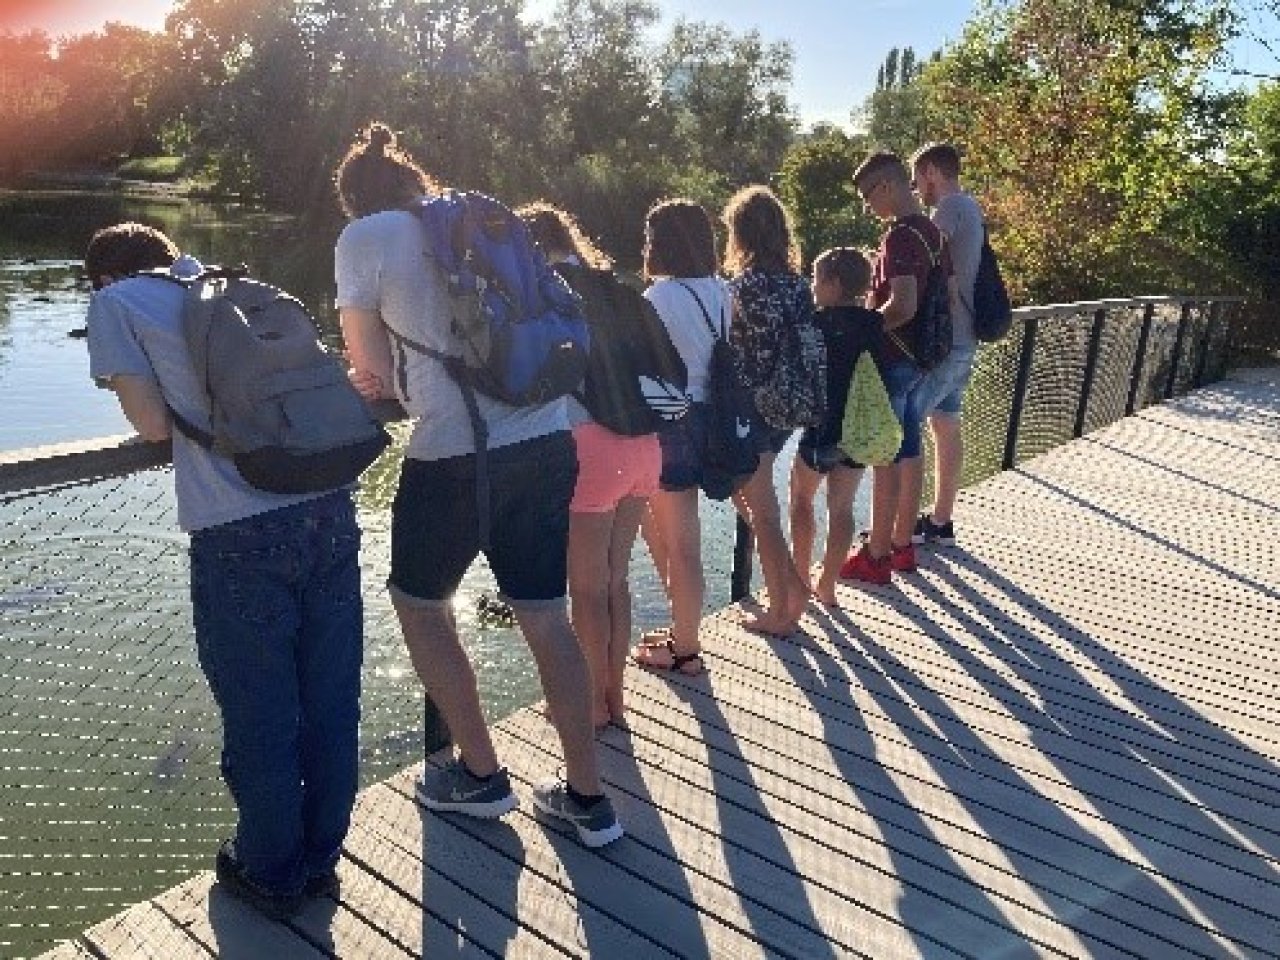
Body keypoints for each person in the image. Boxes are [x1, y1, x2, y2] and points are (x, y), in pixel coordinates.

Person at [333, 123, 622, 848]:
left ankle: (481, 776)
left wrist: (384, 380)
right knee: (545, 616)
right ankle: (588, 800)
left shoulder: (364, 238)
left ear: (356, 202)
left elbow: (366, 361)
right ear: (413, 181)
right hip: (547, 435)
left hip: (457, 453)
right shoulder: (485, 217)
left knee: (420, 605)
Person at [84, 223, 364, 919]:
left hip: (239, 531)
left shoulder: (118, 304)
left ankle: (270, 871)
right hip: (328, 507)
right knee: (329, 699)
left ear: (103, 279)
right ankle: (320, 862)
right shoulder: (243, 286)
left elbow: (151, 424)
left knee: (260, 711)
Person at [517, 202, 660, 729]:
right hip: (645, 444)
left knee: (585, 589)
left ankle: (588, 706)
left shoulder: (542, 295)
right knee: (615, 582)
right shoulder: (615, 288)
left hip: (589, 447)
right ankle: (614, 698)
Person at [842, 151, 957, 586]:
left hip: (893, 360)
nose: (868, 206)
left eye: (868, 196)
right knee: (909, 449)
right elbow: (946, 293)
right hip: (923, 360)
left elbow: (904, 305)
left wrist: (862, 328)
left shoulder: (901, 238)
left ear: (887, 187)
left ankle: (876, 556)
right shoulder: (933, 233)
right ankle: (903, 546)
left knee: (883, 458)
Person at [632, 199, 727, 676]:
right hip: (712, 420)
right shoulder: (722, 290)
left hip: (671, 423)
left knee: (678, 542)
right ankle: (682, 630)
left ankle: (686, 648)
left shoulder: (657, 298)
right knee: (682, 538)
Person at [720, 185, 814, 634]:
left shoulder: (742, 287)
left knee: (762, 510)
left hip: (751, 410)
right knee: (747, 496)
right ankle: (793, 584)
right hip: (787, 407)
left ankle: (782, 613)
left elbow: (739, 355)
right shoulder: (800, 286)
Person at [789, 247, 882, 606]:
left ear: (833, 282)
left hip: (822, 427)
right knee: (841, 508)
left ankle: (799, 577)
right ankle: (827, 584)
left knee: (800, 498)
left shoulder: (818, 323)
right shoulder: (874, 324)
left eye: (816, 279)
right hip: (858, 430)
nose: (812, 286)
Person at [907, 142, 985, 546]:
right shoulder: (971, 207)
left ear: (933, 171)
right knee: (946, 424)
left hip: (946, 340)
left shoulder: (951, 208)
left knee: (906, 426)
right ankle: (940, 520)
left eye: (917, 177)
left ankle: (900, 529)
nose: (916, 187)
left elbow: (922, 252)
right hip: (965, 335)